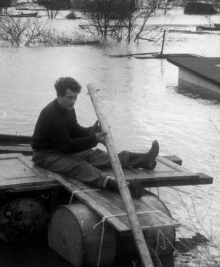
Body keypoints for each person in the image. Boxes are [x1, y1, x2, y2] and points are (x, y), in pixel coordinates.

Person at [31, 77, 160, 199]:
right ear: (59, 96)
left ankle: (144, 160)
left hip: (61, 149)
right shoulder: (51, 115)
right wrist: (94, 139)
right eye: (69, 97)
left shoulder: (68, 108)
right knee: (81, 167)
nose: (73, 101)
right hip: (45, 156)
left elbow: (74, 130)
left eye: (75, 97)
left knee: (98, 155)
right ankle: (124, 189)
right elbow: (68, 147)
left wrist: (91, 131)